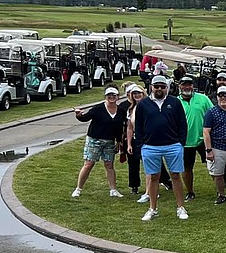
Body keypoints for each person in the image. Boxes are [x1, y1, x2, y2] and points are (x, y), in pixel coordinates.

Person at [135, 75, 189, 221]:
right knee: (154, 177)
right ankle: (152, 209)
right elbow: (138, 126)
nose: (159, 89)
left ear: (167, 88)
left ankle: (181, 207)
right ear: (151, 87)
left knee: (175, 175)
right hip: (150, 146)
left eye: (162, 86)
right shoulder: (143, 104)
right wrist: (141, 145)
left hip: (173, 145)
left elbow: (182, 123)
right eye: (156, 86)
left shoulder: (175, 102)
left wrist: (181, 142)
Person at [71, 86, 127, 199]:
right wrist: (78, 115)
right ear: (105, 96)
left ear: (118, 96)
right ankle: (78, 189)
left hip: (110, 141)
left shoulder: (121, 111)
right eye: (109, 95)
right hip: (94, 140)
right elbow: (85, 118)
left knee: (109, 165)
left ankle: (113, 190)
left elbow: (120, 127)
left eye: (114, 95)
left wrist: (119, 141)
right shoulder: (98, 109)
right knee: (88, 164)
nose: (111, 97)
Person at [177, 75, 213, 202]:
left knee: (213, 164)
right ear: (179, 86)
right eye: (184, 84)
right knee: (187, 168)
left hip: (204, 139)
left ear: (193, 86)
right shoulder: (175, 102)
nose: (187, 87)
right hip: (185, 141)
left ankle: (221, 189)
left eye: (189, 84)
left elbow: (212, 114)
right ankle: (190, 192)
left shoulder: (203, 98)